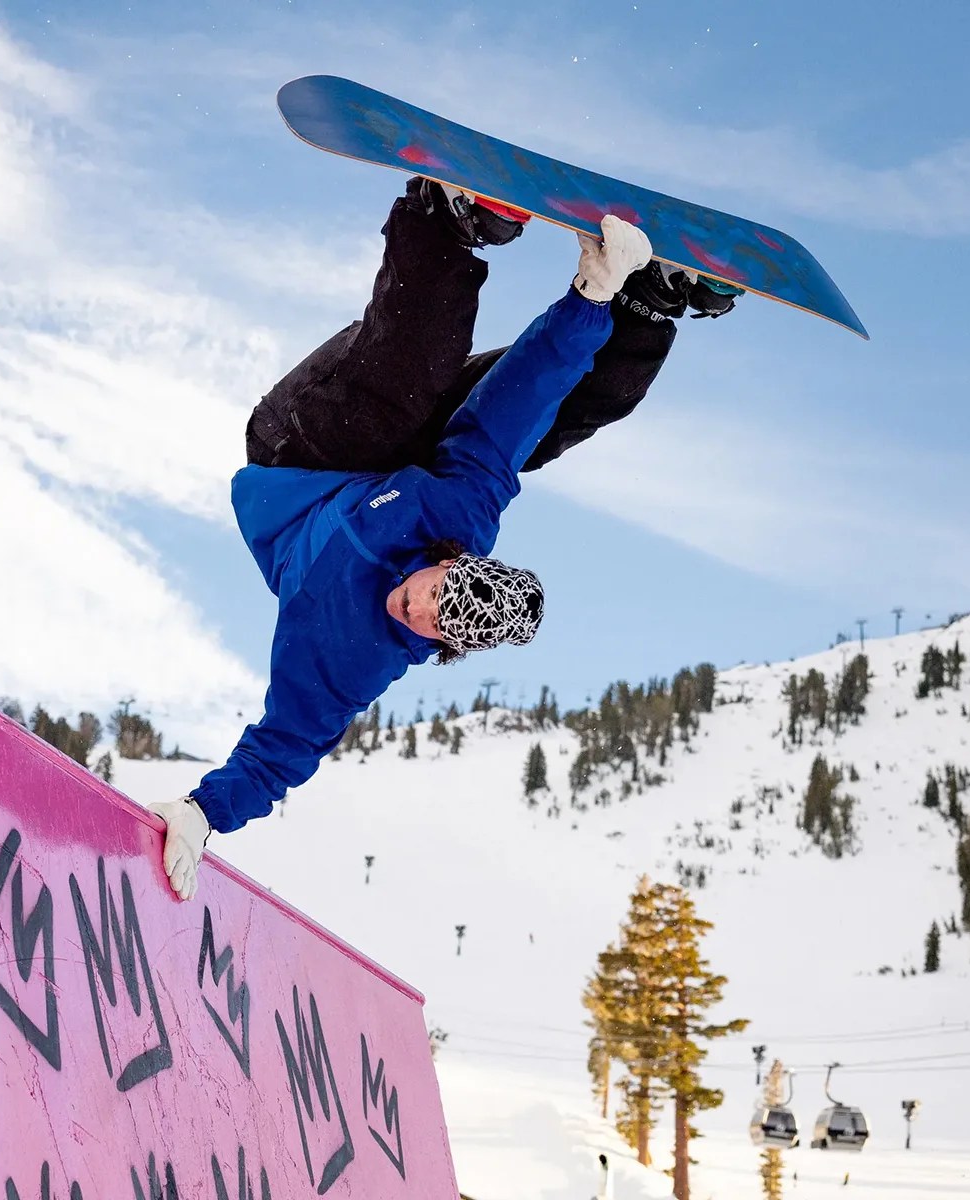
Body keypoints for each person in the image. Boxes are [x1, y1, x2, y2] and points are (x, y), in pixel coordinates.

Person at [151, 178, 740, 899]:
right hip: (382, 442)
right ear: (452, 563)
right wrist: (588, 297)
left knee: (433, 399)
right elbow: (516, 402)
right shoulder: (460, 514)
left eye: (434, 626)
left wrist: (202, 813)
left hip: (294, 455)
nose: (418, 612)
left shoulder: (349, 654)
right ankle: (567, 268)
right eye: (438, 596)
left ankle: (544, 261)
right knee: (533, 413)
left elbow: (284, 753)